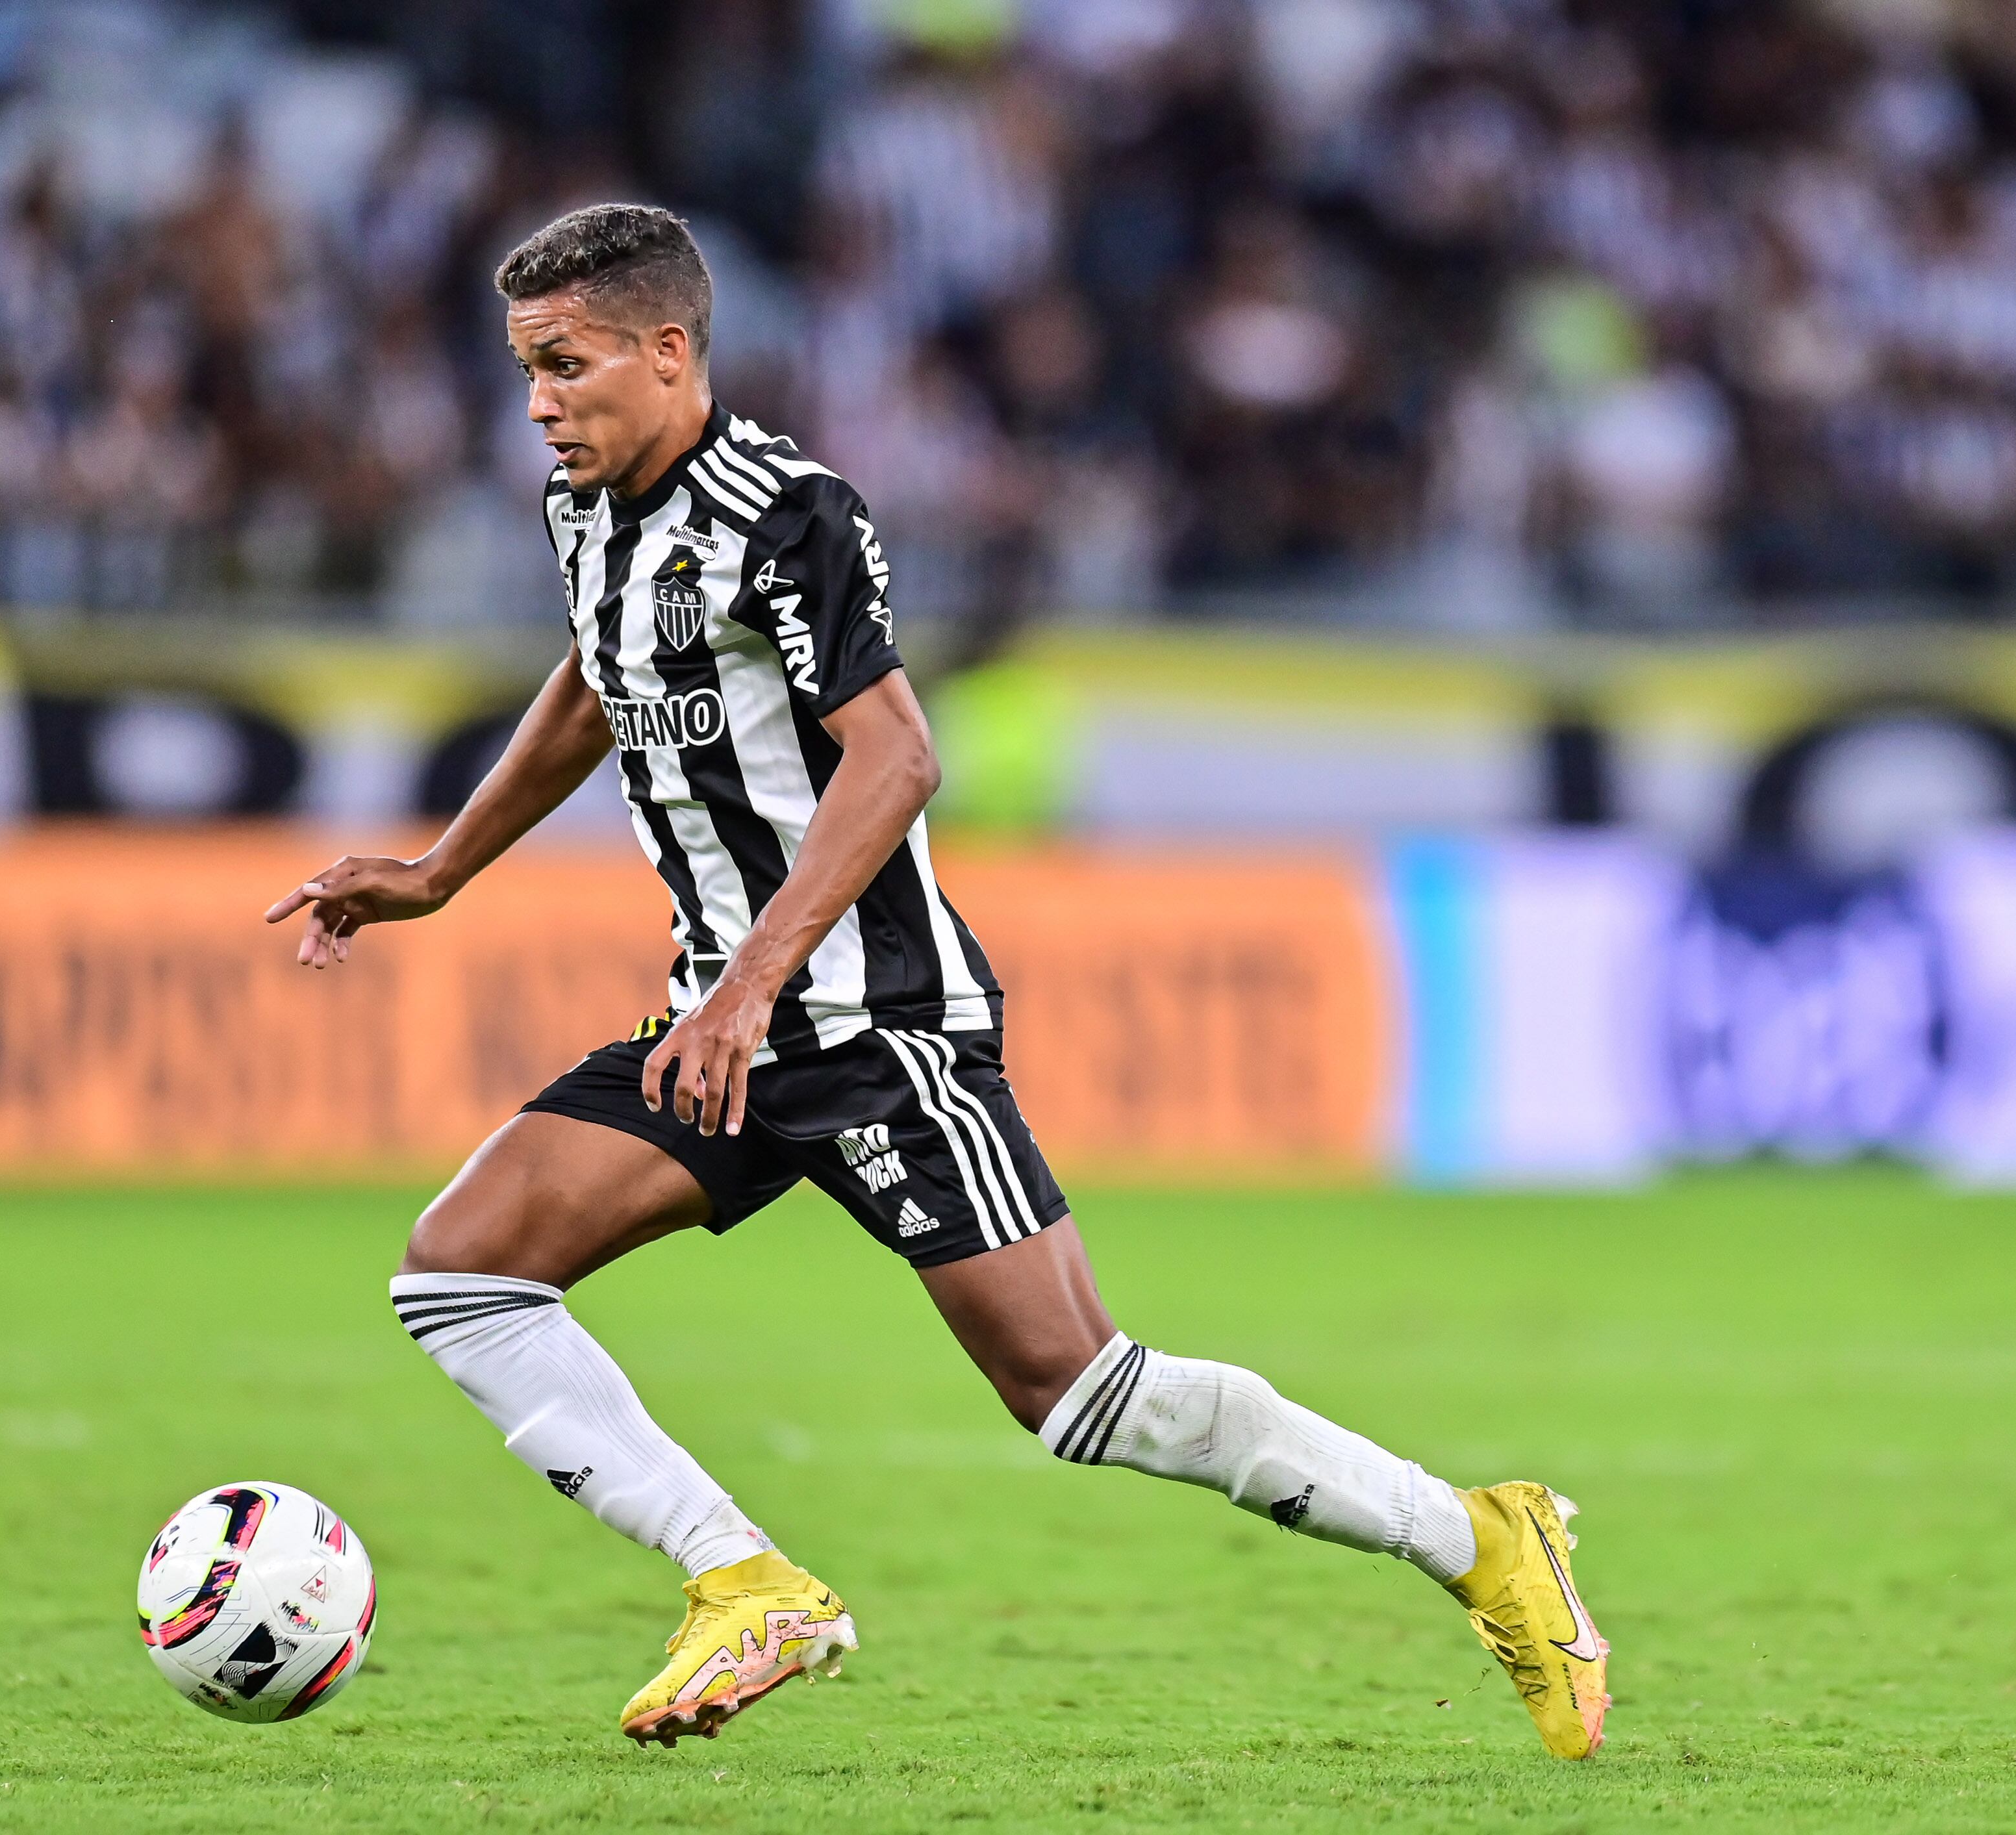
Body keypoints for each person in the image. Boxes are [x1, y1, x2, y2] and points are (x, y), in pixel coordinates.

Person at [266, 204, 1610, 1758]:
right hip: (728, 1027)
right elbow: (595, 678)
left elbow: (899, 756)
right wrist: (435, 873)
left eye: (564, 367)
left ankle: (1482, 1538)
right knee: (461, 1273)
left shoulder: (791, 513)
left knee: (1082, 1394)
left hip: (878, 1032)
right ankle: (745, 1581)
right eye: (525, 372)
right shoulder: (589, 515)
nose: (539, 404)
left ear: (668, 350)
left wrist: (751, 986)